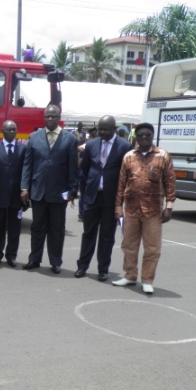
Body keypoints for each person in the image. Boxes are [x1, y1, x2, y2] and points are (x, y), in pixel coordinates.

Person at [113, 122, 176, 295]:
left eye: (147, 134)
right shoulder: (129, 157)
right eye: (140, 135)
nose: (144, 138)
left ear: (152, 136)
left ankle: (147, 280)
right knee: (128, 245)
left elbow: (170, 182)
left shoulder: (162, 156)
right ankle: (130, 275)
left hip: (153, 211)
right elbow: (121, 184)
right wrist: (118, 207)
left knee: (152, 247)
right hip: (131, 209)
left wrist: (169, 206)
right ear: (136, 137)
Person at [21, 104, 79, 273]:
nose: (50, 119)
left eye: (53, 116)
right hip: (38, 191)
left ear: (58, 117)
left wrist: (72, 190)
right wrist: (24, 187)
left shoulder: (69, 139)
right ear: (44, 118)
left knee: (56, 229)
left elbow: (73, 169)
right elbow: (27, 165)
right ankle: (34, 259)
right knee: (37, 228)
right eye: (47, 116)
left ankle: (55, 261)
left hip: (58, 193)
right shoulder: (34, 137)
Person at [75, 115, 132, 281]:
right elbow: (84, 169)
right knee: (88, 233)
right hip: (92, 196)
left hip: (111, 198)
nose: (102, 132)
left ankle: (103, 269)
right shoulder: (92, 144)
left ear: (114, 129)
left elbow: (126, 173)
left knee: (107, 236)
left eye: (106, 129)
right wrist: (85, 191)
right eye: (100, 129)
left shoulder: (124, 146)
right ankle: (82, 266)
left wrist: (121, 200)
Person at [0, 120, 25, 267]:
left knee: (15, 228)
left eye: (14, 129)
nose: (11, 132)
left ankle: (11, 255)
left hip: (17, 197)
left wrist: (26, 197)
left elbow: (26, 173)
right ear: (1, 130)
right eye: (8, 129)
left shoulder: (23, 149)